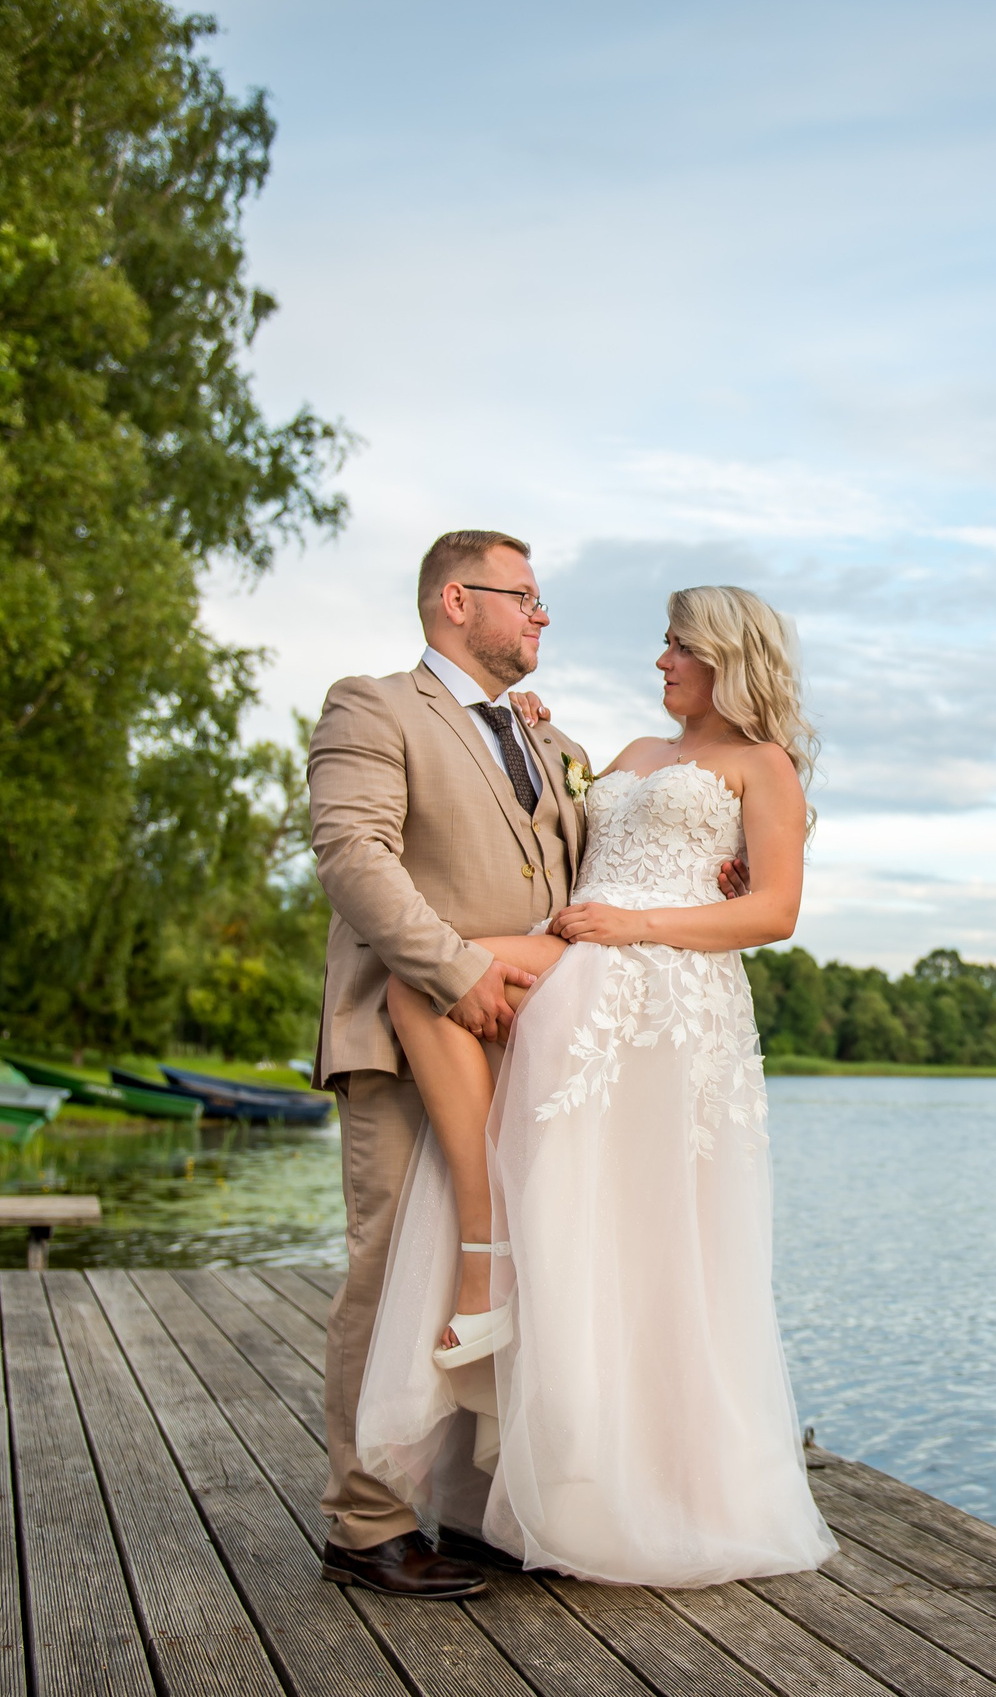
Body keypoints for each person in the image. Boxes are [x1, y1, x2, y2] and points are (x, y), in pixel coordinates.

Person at [357, 584, 837, 1588]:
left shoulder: (764, 765)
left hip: (663, 988)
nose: (659, 662)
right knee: (425, 980)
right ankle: (488, 1267)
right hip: (579, 958)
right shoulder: (625, 754)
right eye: (662, 645)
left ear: (722, 657)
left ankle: (623, 1486)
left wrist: (636, 926)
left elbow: (774, 909)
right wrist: (542, 731)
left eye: (675, 647)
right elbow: (581, 826)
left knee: (629, 1227)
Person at [304, 529, 591, 1597]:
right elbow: (354, 857)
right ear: (455, 601)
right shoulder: (372, 706)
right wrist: (455, 967)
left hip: (532, 1038)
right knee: (389, 1271)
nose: (541, 614)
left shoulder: (544, 735)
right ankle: (366, 1522)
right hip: (403, 1028)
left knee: (515, 1260)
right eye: (525, 595)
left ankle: (475, 1511)